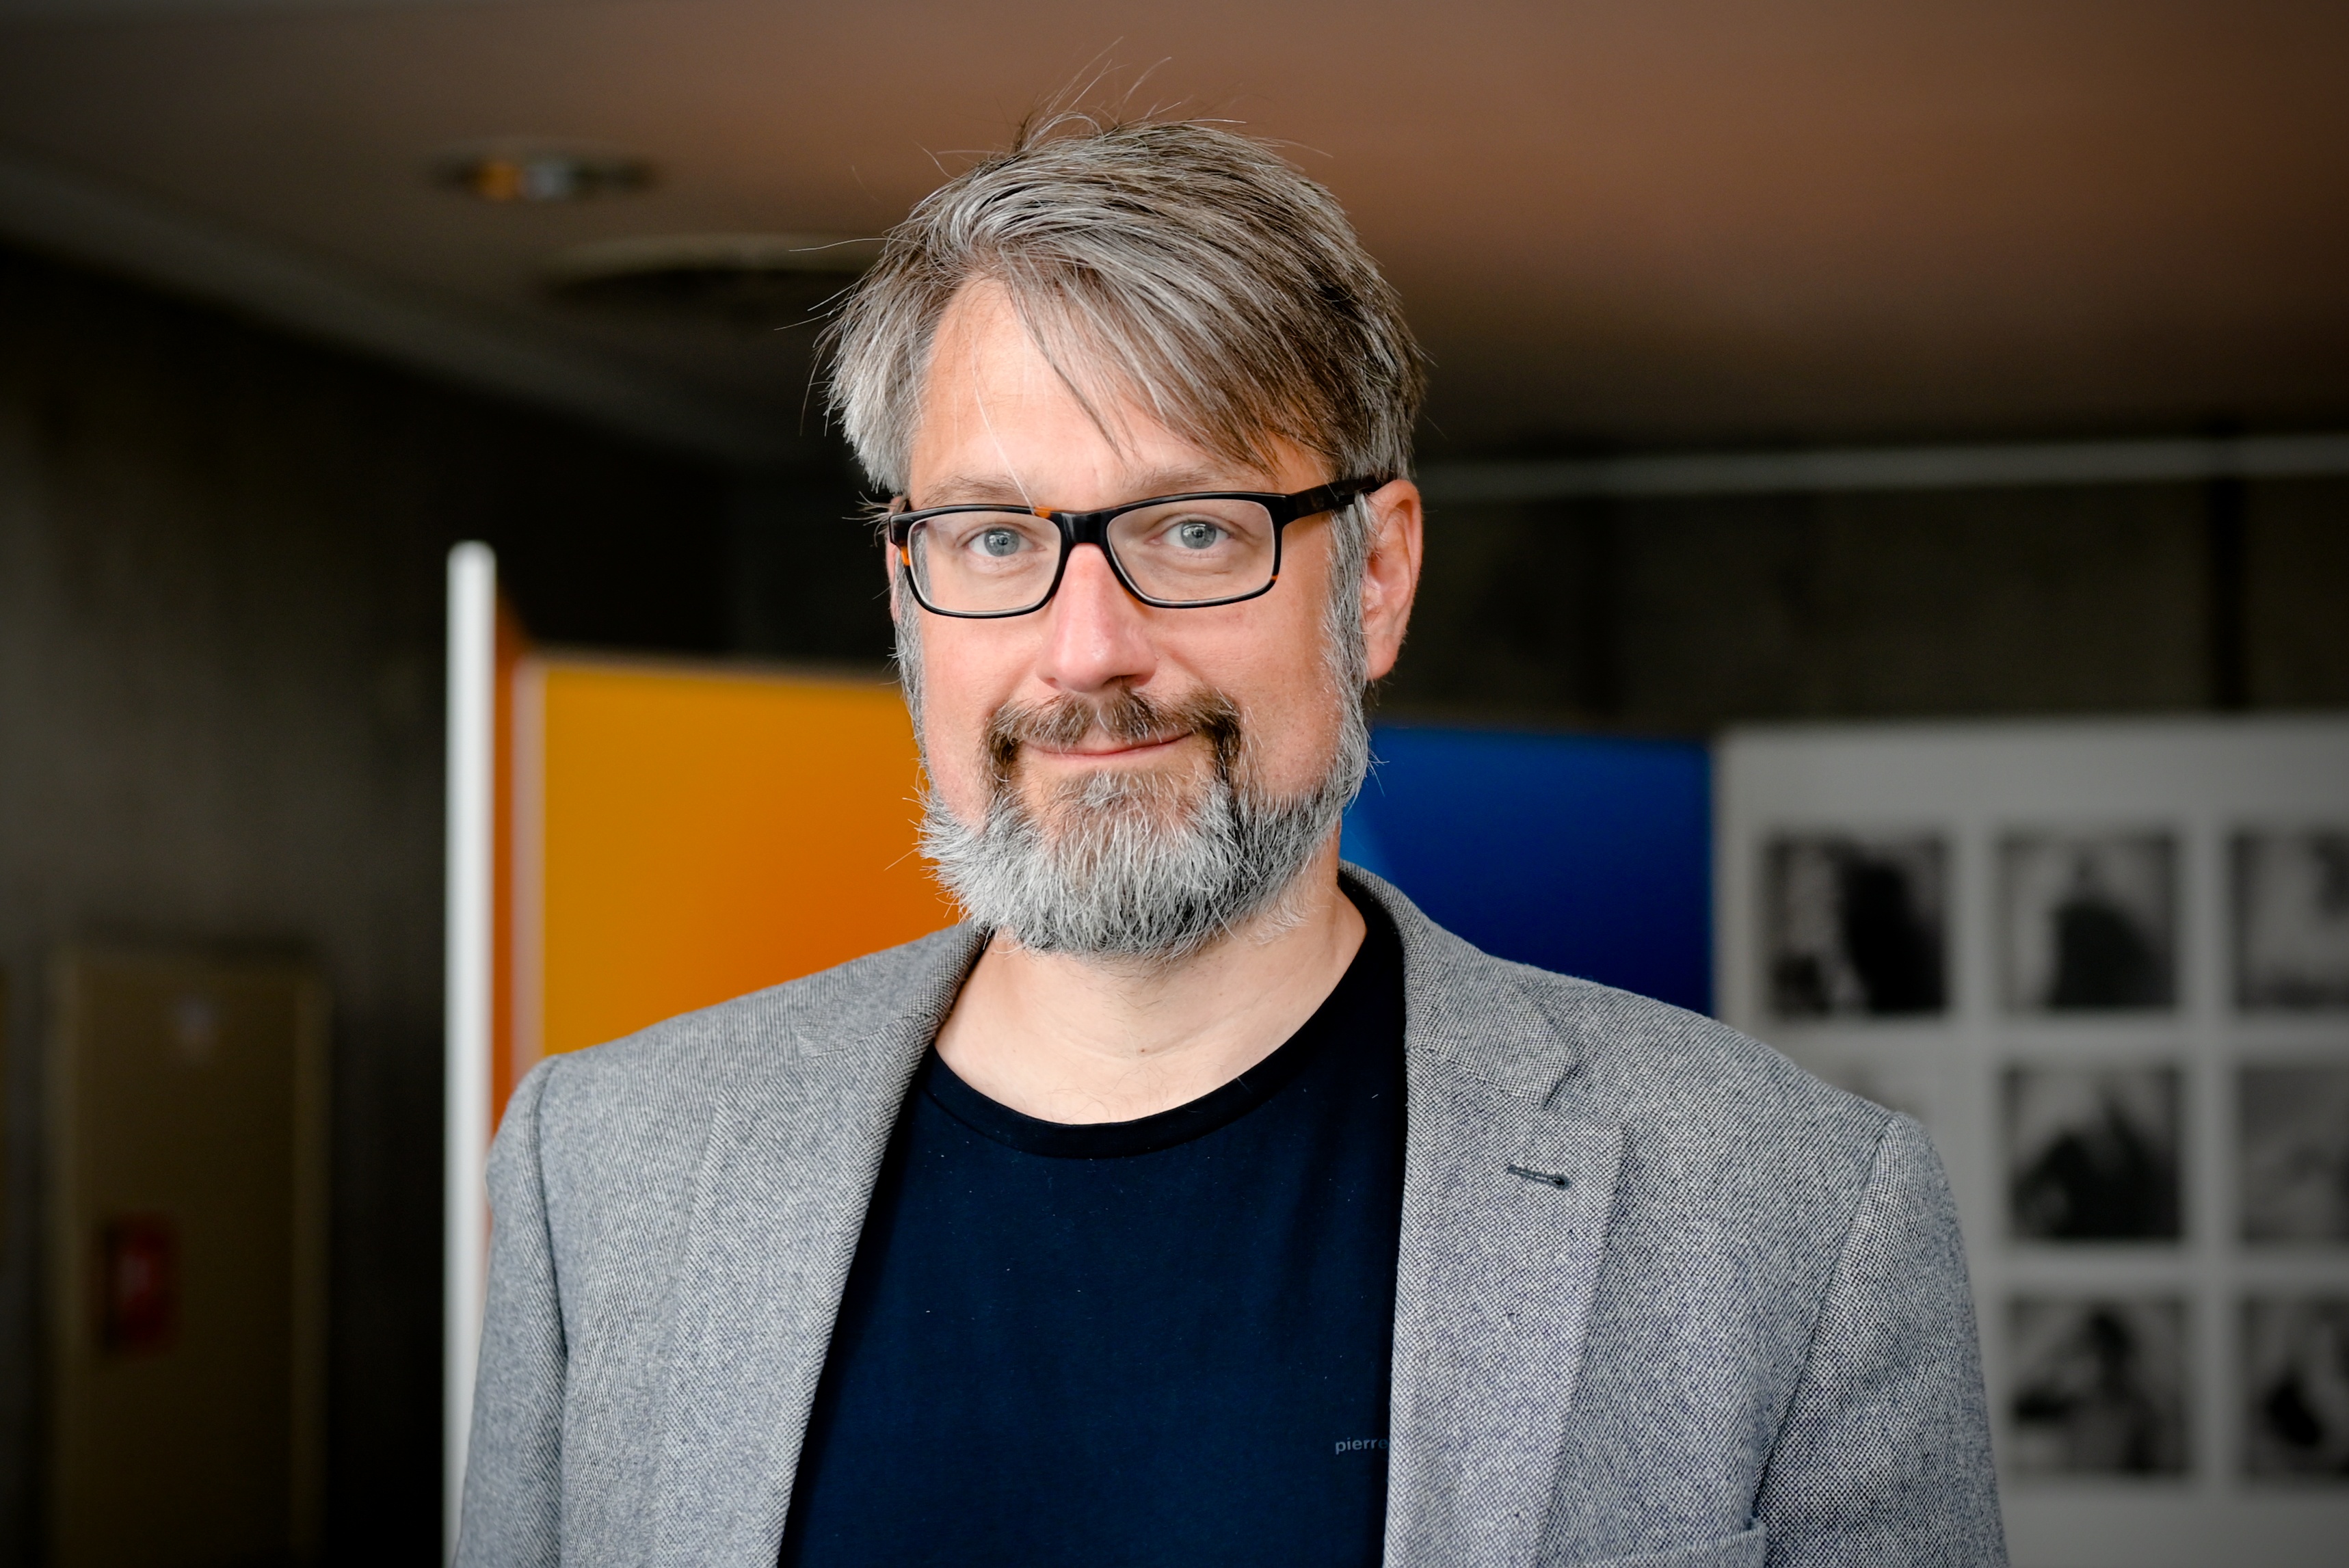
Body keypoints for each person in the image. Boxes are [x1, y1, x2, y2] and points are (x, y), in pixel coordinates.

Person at [456, 114, 2004, 1568]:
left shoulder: (1790, 1211)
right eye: (992, 537)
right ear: (906, 596)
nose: (1085, 649)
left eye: (1192, 529)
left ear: (1376, 579)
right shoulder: (604, 1165)